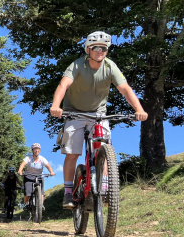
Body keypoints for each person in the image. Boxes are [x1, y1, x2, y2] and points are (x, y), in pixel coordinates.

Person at [49, 31, 148, 208]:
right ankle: (69, 192)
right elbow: (63, 85)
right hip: (74, 112)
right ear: (88, 49)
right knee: (73, 153)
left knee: (104, 148)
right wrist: (56, 106)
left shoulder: (110, 67)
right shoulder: (78, 65)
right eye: (95, 47)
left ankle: (104, 187)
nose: (100, 51)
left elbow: (125, 89)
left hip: (98, 113)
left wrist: (139, 110)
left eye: (104, 48)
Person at [18, 143, 55, 210]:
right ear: (32, 150)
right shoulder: (28, 158)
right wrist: (20, 171)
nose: (36, 150)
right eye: (35, 149)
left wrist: (51, 172)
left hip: (39, 177)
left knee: (41, 191)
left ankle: (41, 205)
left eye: (38, 149)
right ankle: (26, 204)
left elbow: (48, 166)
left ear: (40, 150)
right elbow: (22, 164)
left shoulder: (42, 159)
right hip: (28, 177)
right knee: (27, 193)